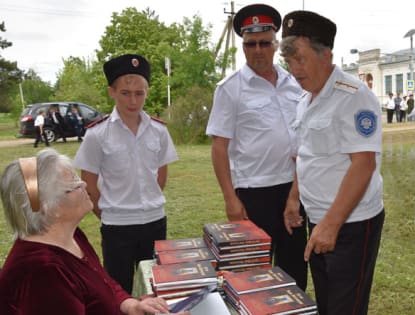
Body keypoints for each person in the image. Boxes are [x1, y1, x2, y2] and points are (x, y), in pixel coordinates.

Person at [280, 11, 385, 315]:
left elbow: (363, 165)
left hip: (350, 223)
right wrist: (294, 198)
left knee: (345, 307)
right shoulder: (306, 100)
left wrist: (331, 224)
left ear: (326, 54)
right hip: (320, 220)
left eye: (300, 59)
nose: (294, 70)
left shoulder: (354, 97)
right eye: (289, 62)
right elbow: (307, 154)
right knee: (326, 304)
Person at [0, 148, 187, 315]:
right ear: (49, 208)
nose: (84, 184)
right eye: (73, 184)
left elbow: (103, 284)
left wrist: (130, 305)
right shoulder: (42, 271)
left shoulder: (71, 236)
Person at [206, 4, 307, 290]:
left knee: (295, 269)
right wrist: (230, 198)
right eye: (251, 44)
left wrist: (295, 194)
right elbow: (219, 147)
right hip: (254, 195)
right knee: (252, 275)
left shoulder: (294, 83)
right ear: (243, 47)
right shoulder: (230, 89)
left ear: (276, 44)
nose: (258, 50)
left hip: (294, 190)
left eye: (265, 43)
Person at [73, 54, 178, 294]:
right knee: (118, 290)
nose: (133, 100)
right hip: (116, 226)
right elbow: (89, 184)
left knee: (155, 287)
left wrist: (147, 203)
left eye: (139, 93)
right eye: (125, 93)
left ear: (147, 92)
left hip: (154, 222)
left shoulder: (158, 131)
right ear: (112, 92)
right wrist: (110, 212)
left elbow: (161, 176)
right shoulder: (97, 134)